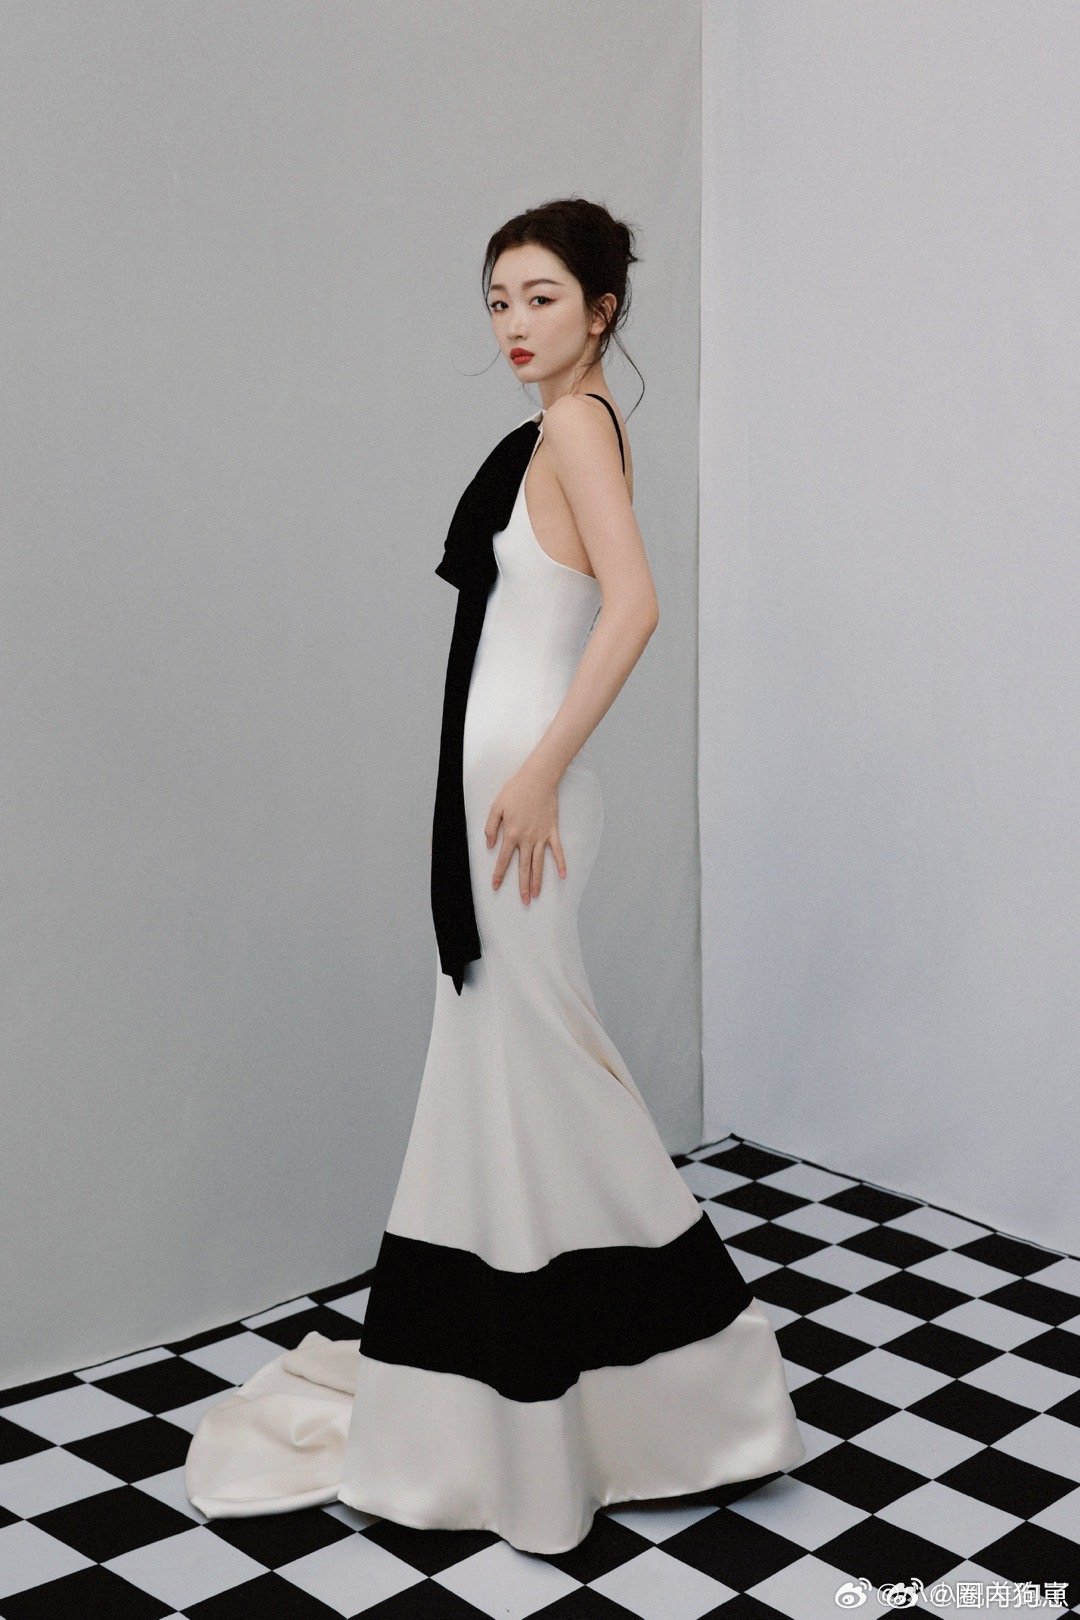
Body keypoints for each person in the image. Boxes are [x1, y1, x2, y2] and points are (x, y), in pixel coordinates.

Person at [184, 197, 805, 1555]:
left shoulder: (578, 426)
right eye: (498, 300)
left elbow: (635, 605)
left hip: (526, 811)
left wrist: (537, 771)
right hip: (502, 806)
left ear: (603, 310)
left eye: (541, 297)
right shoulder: (556, 430)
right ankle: (520, 1391)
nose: (515, 323)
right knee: (503, 1087)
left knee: (547, 1080)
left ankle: (696, 1384)